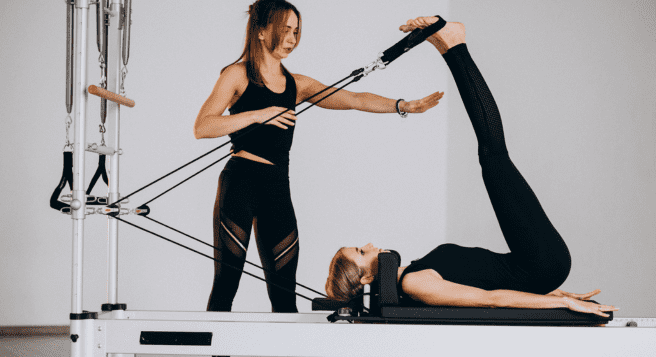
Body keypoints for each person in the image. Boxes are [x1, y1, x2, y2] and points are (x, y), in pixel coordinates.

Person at [325, 16, 619, 318]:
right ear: (365, 278)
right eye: (362, 252)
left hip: (539, 271)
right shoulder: (415, 283)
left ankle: (449, 45)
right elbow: (490, 299)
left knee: (492, 156)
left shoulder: (413, 272)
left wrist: (557, 293)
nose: (370, 245)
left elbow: (493, 277)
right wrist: (564, 303)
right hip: (541, 264)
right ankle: (454, 45)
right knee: (493, 155)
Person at [193, 0, 443, 313]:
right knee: (226, 284)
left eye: (296, 31)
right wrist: (260, 115)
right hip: (240, 182)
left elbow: (353, 98)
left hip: (276, 187)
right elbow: (203, 126)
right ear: (260, 31)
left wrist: (401, 105)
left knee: (284, 295)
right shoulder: (237, 75)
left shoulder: (297, 84)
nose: (291, 38)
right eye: (284, 30)